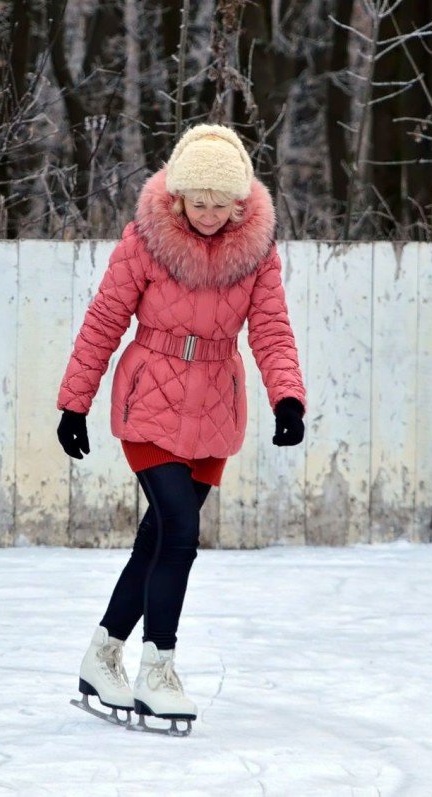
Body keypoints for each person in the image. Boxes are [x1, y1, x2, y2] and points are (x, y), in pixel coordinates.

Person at [56, 124, 306, 734]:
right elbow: (105, 319)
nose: (211, 215)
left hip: (215, 405)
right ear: (178, 196)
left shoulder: (258, 251)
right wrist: (74, 403)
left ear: (241, 202)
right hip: (151, 397)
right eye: (200, 202)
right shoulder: (146, 241)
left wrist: (288, 399)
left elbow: (271, 331)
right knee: (181, 533)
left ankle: (103, 653)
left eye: (223, 205)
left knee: (156, 541)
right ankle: (158, 668)